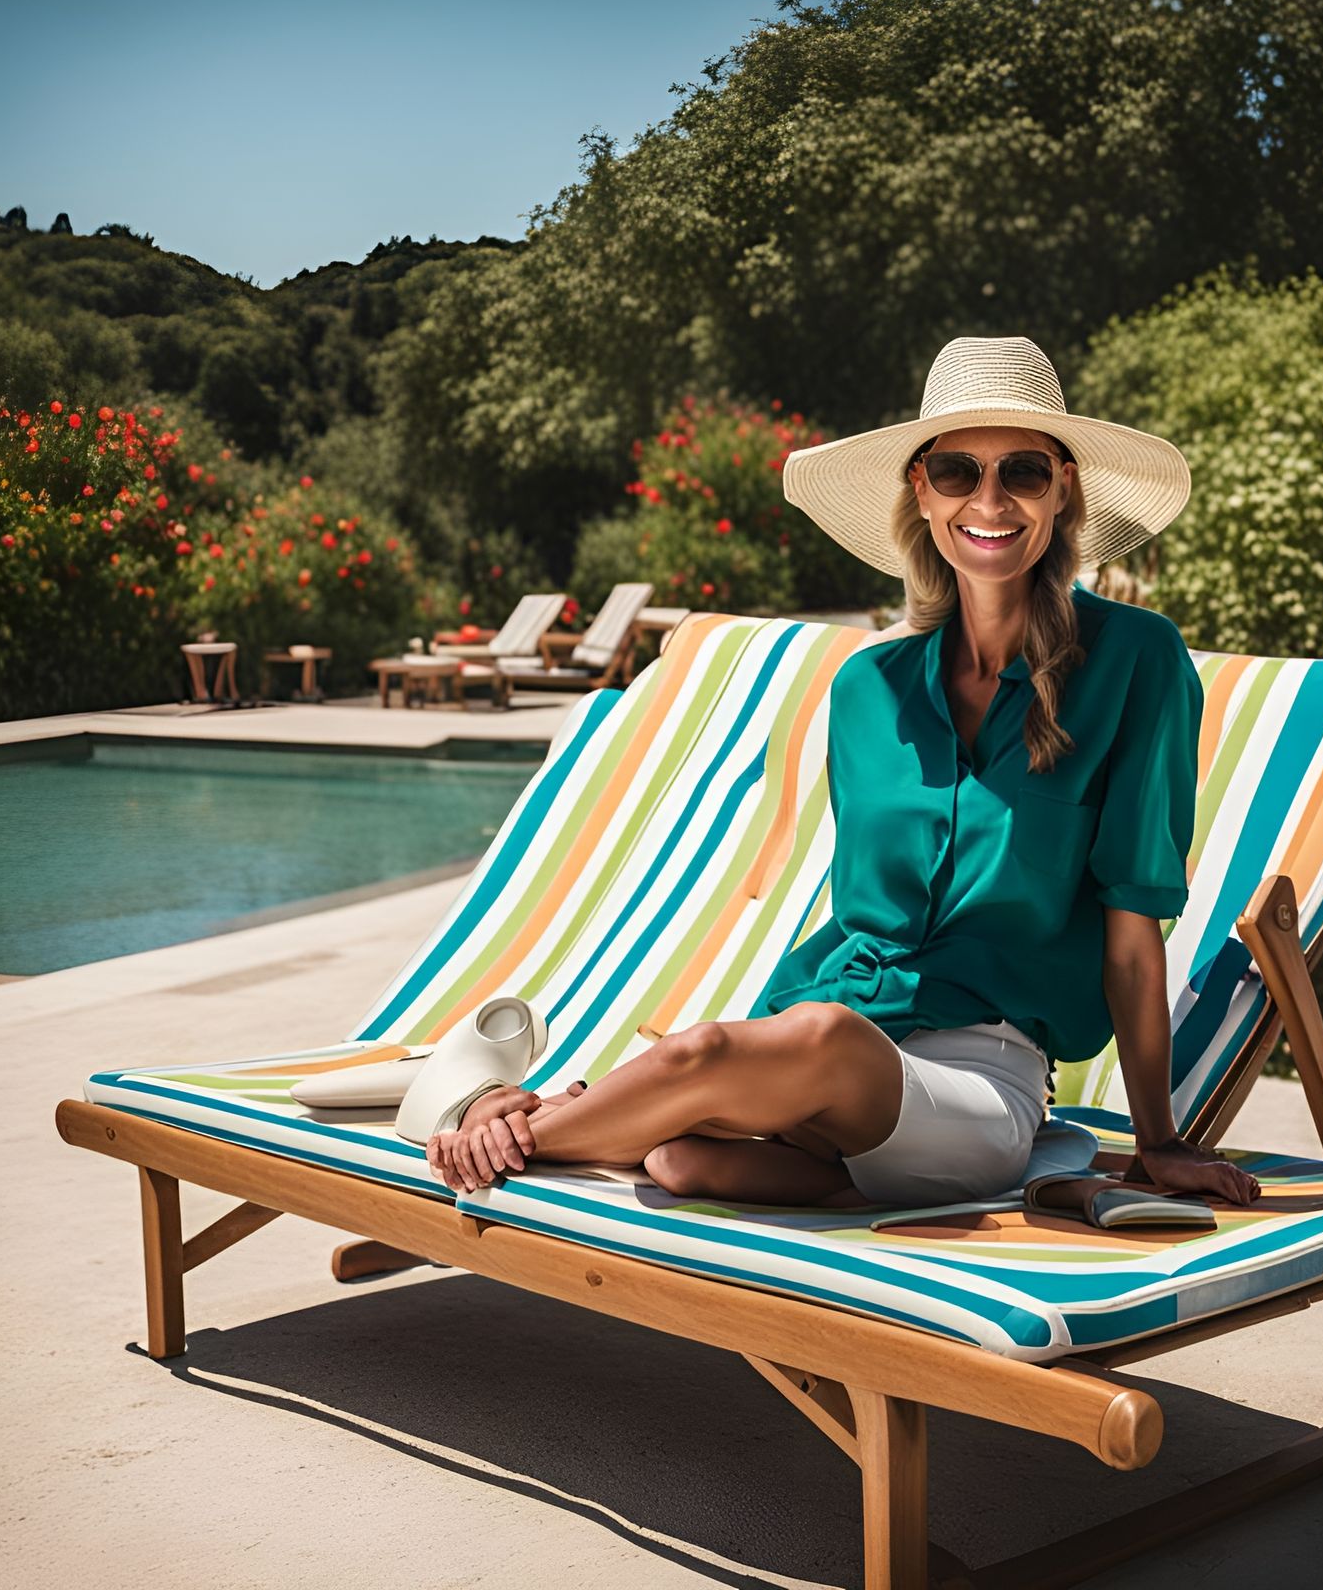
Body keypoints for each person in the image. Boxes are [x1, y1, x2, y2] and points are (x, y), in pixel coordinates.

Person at [425, 335, 1260, 1211]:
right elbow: (867, 920)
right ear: (922, 491)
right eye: (956, 472)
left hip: (975, 1082)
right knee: (681, 1161)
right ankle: (599, 1128)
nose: (989, 501)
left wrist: (1160, 1141)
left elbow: (1132, 934)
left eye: (1022, 471)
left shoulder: (1135, 661)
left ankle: (499, 1138)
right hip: (823, 1049)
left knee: (728, 1053)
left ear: (1063, 489)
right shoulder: (871, 689)